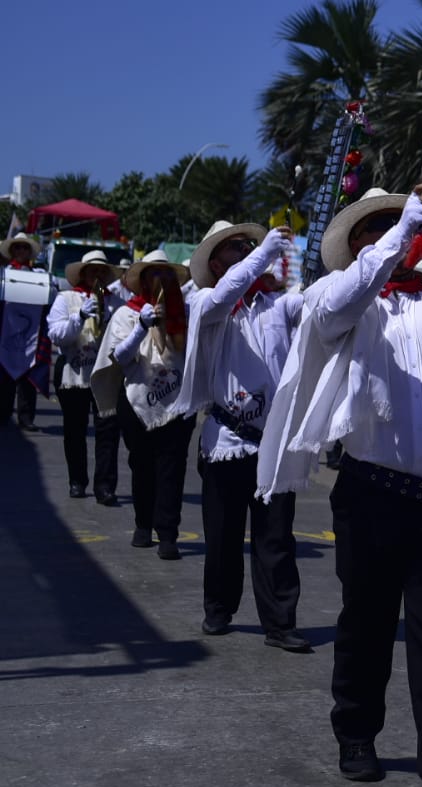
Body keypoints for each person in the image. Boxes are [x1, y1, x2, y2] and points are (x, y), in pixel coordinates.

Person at [256, 184, 422, 787]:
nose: (400, 236)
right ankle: (356, 731)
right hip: (372, 498)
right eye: (380, 229)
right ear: (359, 245)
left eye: (404, 226)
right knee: (366, 625)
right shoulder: (341, 303)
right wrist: (392, 243)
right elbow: (335, 303)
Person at [176, 220, 307, 651]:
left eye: (247, 245)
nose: (246, 251)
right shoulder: (205, 305)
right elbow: (228, 291)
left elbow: (313, 309)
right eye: (236, 247)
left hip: (272, 441)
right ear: (217, 261)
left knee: (276, 538)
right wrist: (263, 254)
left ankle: (280, 623)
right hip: (225, 442)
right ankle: (218, 608)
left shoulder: (275, 305)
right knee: (223, 536)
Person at [90, 250, 195, 559]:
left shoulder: (184, 313)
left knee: (172, 468)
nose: (159, 280)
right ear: (143, 280)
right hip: (136, 402)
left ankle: (167, 533)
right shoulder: (126, 313)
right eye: (153, 274)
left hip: (176, 401)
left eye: (165, 275)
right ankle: (142, 524)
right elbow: (119, 358)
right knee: (142, 465)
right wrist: (141, 326)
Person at [46, 250, 121, 499]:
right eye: (93, 271)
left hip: (105, 375)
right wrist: (78, 317)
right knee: (75, 431)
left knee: (108, 432)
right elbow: (56, 335)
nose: (97, 275)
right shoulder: (66, 298)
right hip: (74, 372)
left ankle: (105, 486)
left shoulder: (115, 301)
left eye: (102, 271)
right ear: (83, 273)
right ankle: (77, 481)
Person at [0, 233, 52, 431]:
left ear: (29, 252)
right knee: (4, 377)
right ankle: (3, 414)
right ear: (13, 251)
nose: (21, 251)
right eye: (18, 248)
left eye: (24, 248)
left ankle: (26, 417)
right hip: (6, 331)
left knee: (27, 378)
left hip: (32, 334)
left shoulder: (39, 275)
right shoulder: (5, 273)